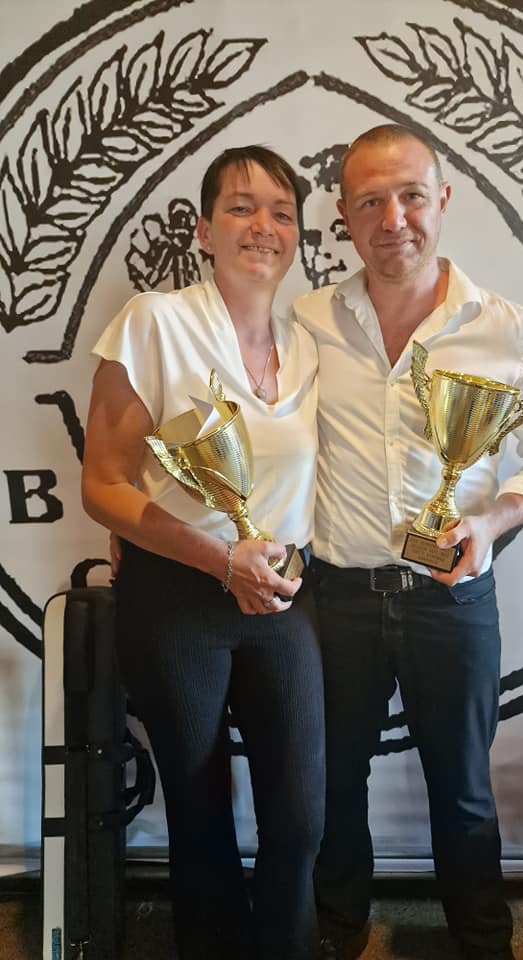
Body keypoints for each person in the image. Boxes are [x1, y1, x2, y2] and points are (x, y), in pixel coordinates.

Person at [293, 124, 523, 960]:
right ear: (344, 215)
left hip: (451, 599)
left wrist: (492, 522)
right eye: (370, 202)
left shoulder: (507, 329)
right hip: (337, 597)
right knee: (333, 783)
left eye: (411, 196)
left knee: (462, 791)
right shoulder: (305, 322)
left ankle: (484, 941)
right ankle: (338, 928)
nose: (394, 220)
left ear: (444, 200)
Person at [82, 147, 325, 960]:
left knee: (301, 814)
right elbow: (103, 485)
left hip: (282, 597)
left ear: (298, 235)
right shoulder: (154, 321)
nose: (263, 226)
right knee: (199, 813)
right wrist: (219, 560)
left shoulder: (311, 339)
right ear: (202, 229)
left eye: (282, 212)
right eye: (240, 207)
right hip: (178, 597)